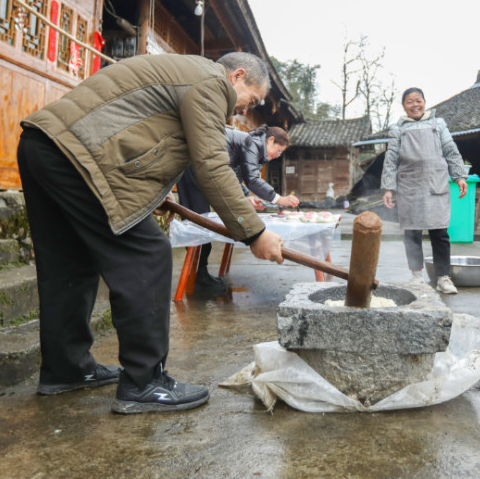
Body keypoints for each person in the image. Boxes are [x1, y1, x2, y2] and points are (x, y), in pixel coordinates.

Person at [17, 51, 286, 415]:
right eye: (250, 100)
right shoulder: (211, 83)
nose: (242, 110)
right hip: (79, 156)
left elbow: (151, 138)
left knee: (71, 263)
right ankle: (145, 382)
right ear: (237, 76)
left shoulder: (186, 72)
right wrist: (254, 234)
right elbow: (211, 165)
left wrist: (154, 196)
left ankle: (65, 369)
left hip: (44, 145)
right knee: (148, 254)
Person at [176, 125, 299, 294]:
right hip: (194, 166)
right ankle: (197, 279)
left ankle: (199, 275)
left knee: (200, 223)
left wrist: (247, 197)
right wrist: (279, 199)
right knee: (199, 223)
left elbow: (232, 175)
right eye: (278, 151)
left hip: (199, 165)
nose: (276, 156)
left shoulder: (248, 143)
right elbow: (252, 179)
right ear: (270, 140)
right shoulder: (253, 142)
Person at [381, 87, 468, 294]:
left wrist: (459, 176)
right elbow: (391, 159)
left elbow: (451, 150)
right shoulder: (398, 129)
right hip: (409, 186)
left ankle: (443, 278)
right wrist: (388, 188)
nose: (414, 105)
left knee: (440, 233)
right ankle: (416, 276)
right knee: (412, 233)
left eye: (418, 100)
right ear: (404, 106)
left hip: (435, 183)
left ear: (425, 102)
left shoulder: (438, 125)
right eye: (409, 102)